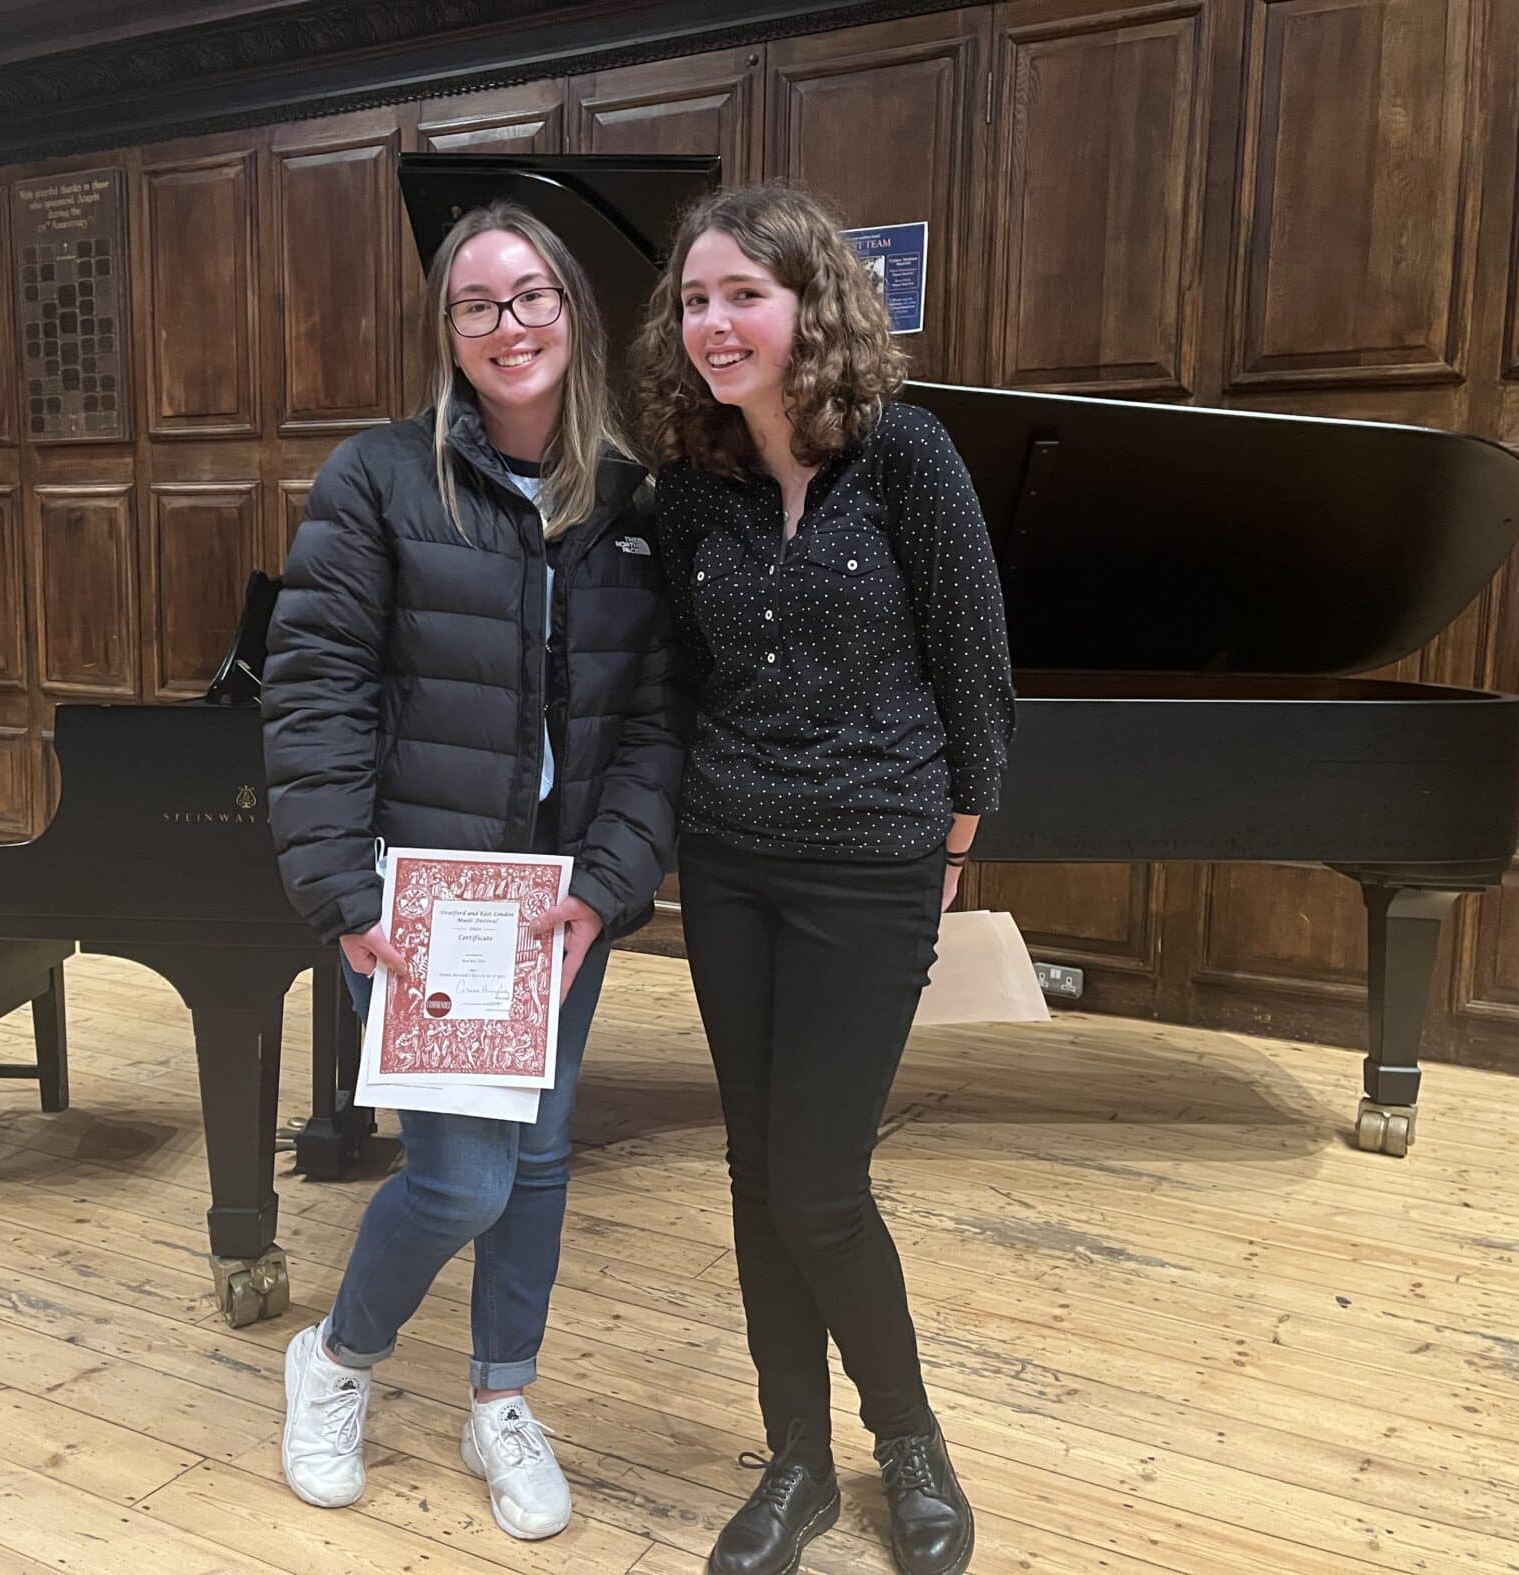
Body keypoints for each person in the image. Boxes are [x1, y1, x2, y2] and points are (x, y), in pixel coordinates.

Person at [260, 200, 681, 1542]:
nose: (511, 325)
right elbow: (314, 692)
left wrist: (609, 885)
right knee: (462, 1181)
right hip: (435, 895)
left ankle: (501, 1399)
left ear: (574, 314)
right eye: (479, 304)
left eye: (534, 295)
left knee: (543, 1160)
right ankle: (334, 1357)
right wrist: (345, 891)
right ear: (446, 331)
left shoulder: (630, 497)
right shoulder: (379, 479)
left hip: (561, 902)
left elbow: (660, 719)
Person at [633, 182, 1015, 1575]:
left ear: (812, 306)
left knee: (817, 1177)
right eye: (695, 299)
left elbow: (976, 667)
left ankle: (908, 1439)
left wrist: (954, 852)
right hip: (731, 860)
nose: (717, 323)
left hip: (874, 859)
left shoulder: (905, 455)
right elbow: (677, 676)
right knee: (754, 1171)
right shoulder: (690, 487)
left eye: (745, 293)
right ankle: (795, 1459)